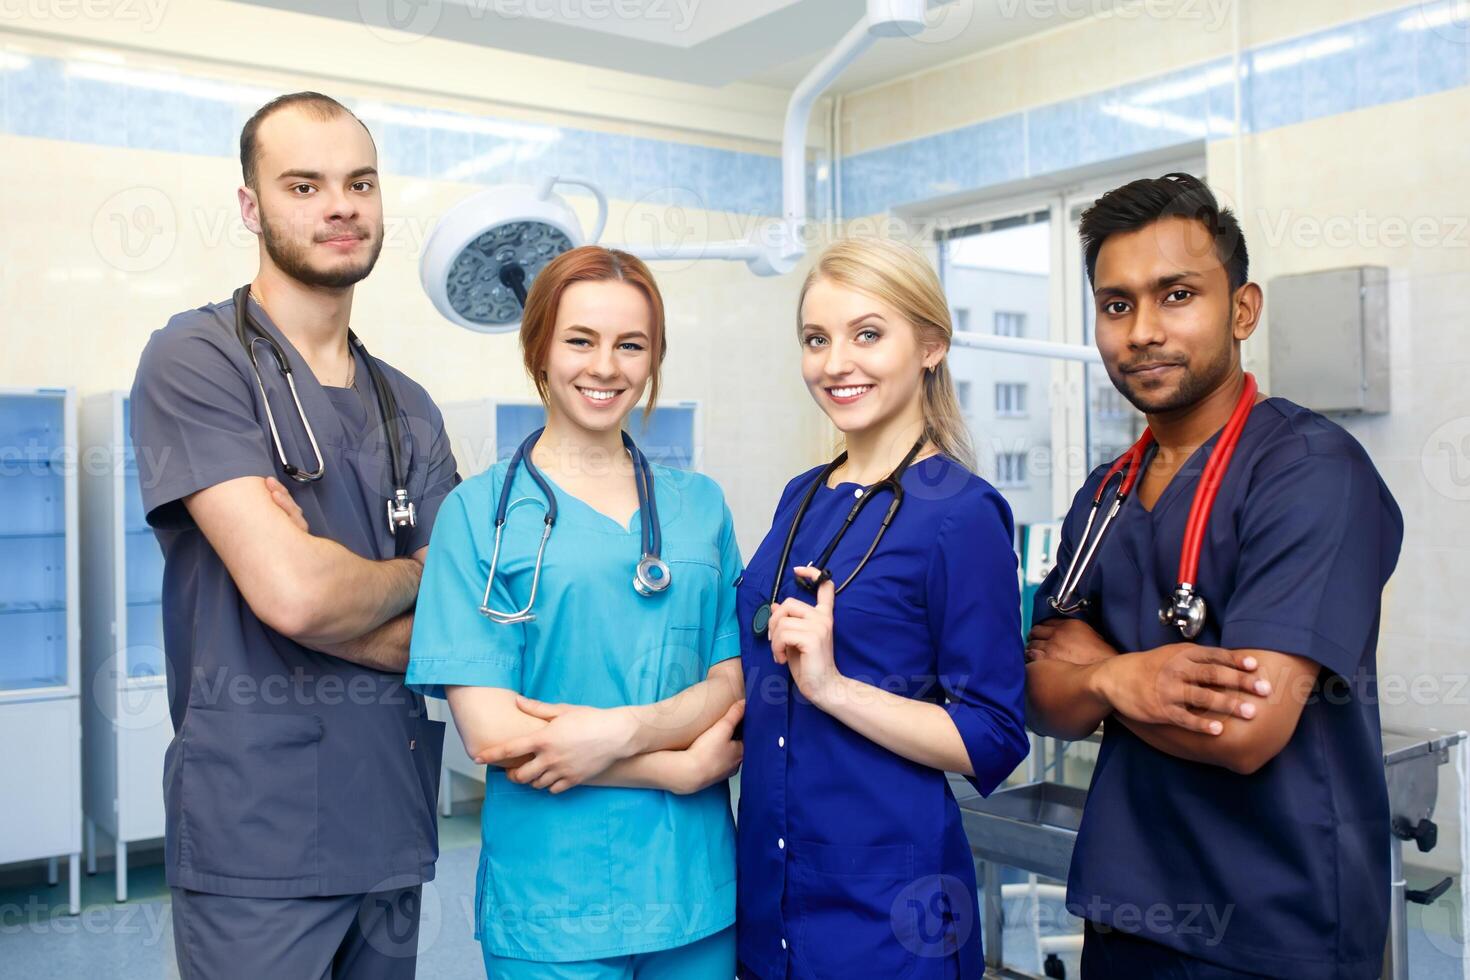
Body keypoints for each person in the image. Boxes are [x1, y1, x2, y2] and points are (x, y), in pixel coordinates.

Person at [1025, 173, 1403, 979]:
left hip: (1277, 929)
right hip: (1128, 916)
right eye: (1117, 304)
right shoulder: (1108, 491)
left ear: (1242, 309)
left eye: (1177, 295)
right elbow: (1036, 694)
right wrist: (1126, 677)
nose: (1143, 331)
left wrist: (1091, 674)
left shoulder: (1311, 473)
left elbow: (1244, 731)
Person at [130, 91, 459, 979]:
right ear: (251, 206)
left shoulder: (409, 409)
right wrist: (409, 572)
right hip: (257, 842)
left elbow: (461, 627)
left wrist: (326, 595)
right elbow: (296, 594)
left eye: (360, 183)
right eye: (304, 185)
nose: (340, 206)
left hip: (389, 823)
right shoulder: (198, 361)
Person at [405, 245, 746, 978]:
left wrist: (619, 730)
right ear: (540, 350)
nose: (606, 367)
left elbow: (733, 680)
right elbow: (495, 734)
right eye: (580, 341)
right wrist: (675, 770)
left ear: (653, 359)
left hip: (696, 891)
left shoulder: (700, 508)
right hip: (551, 899)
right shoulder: (479, 517)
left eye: (631, 345)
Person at [733, 237, 1030, 980]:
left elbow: (992, 736)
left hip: (889, 916)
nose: (836, 363)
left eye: (868, 334)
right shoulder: (802, 495)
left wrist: (832, 688)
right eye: (816, 339)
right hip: (773, 895)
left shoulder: (961, 515)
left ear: (931, 345)